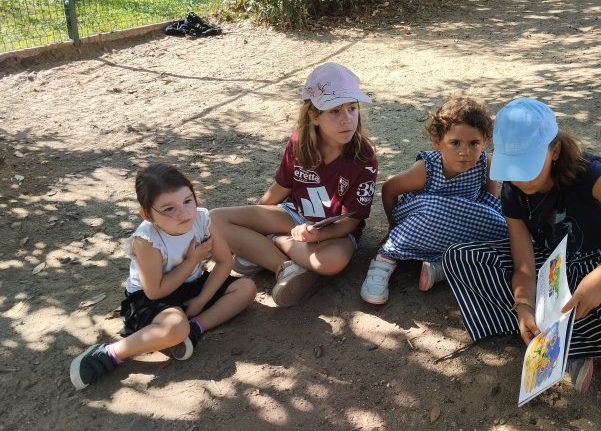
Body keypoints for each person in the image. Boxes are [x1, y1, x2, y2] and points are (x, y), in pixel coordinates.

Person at [442, 98, 601, 392]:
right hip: (549, 263)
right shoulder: (512, 190)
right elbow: (524, 265)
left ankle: (552, 338)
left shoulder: (588, 173)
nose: (520, 178)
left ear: (556, 150)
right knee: (459, 257)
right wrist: (523, 305)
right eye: (513, 167)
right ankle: (547, 332)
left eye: (529, 165)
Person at [70, 164, 257, 390]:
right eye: (169, 209)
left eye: (187, 201)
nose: (183, 213)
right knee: (175, 327)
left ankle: (195, 328)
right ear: (148, 215)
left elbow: (224, 261)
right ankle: (111, 352)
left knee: (246, 288)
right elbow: (154, 291)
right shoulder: (146, 240)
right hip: (149, 298)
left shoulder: (202, 219)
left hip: (191, 285)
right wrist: (191, 261)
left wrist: (201, 300)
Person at [211, 62, 378, 307]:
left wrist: (317, 235)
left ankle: (273, 243)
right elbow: (280, 189)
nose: (347, 119)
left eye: (352, 108)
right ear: (314, 116)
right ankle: (285, 267)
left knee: (330, 262)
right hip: (293, 215)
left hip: (333, 232)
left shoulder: (364, 158)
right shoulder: (299, 143)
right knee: (215, 218)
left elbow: (350, 222)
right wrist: (255, 222)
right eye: (335, 111)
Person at [360, 97, 508, 305]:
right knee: (434, 209)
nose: (465, 152)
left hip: (464, 222)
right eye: (455, 143)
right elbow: (389, 189)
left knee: (502, 228)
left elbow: (489, 204)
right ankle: (384, 260)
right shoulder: (427, 168)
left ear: (485, 141)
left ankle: (443, 266)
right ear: (438, 142)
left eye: (474, 143)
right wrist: (393, 226)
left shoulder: (485, 163)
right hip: (423, 220)